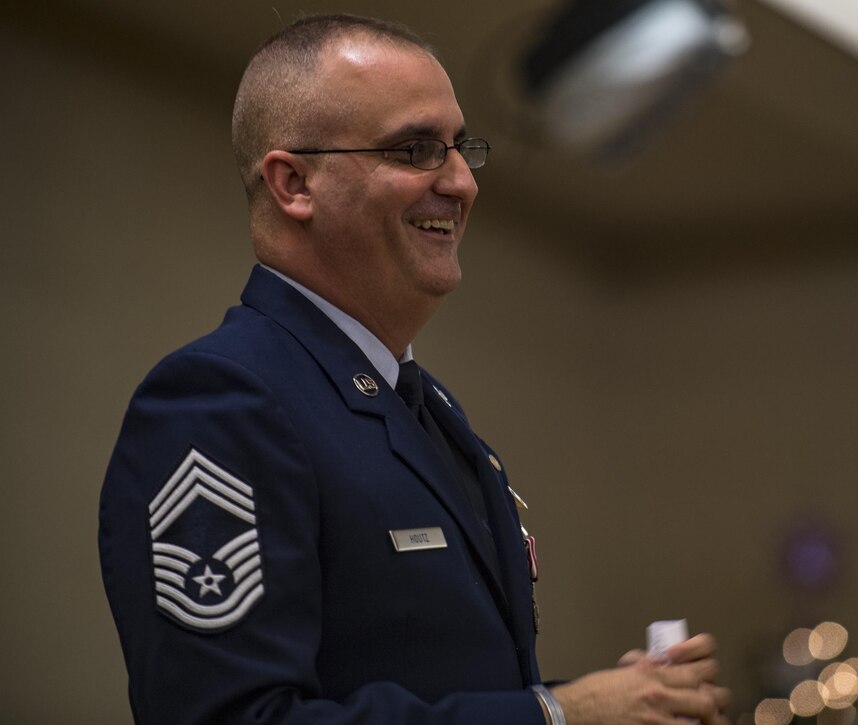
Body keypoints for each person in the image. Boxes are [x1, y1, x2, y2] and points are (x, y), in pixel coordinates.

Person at [99, 13, 731, 725]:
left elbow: (444, 681)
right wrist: (558, 715)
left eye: (462, 148)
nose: (462, 183)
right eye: (416, 149)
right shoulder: (220, 401)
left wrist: (616, 705)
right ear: (294, 183)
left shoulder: (426, 407)